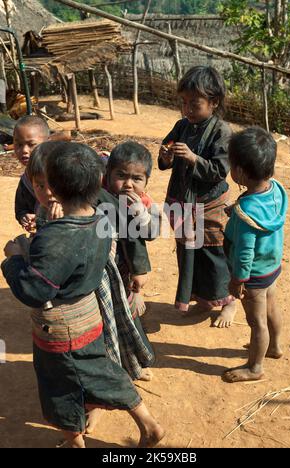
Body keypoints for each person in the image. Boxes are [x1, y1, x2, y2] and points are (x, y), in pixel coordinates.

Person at [1, 142, 165, 448]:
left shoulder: (58, 236)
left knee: (57, 387)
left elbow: (34, 290)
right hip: (90, 320)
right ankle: (148, 423)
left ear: (55, 188)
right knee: (102, 372)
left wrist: (14, 259)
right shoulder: (101, 220)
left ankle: (74, 441)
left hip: (60, 331)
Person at [158, 65, 236, 327]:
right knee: (189, 252)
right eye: (184, 102)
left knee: (213, 252)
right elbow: (165, 153)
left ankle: (229, 301)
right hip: (182, 202)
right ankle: (203, 300)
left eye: (194, 103)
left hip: (210, 204)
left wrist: (193, 158)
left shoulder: (221, 132)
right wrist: (166, 156)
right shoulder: (181, 126)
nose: (187, 109)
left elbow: (219, 170)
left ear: (213, 102)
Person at [223, 127, 288, 382]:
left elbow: (245, 253)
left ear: (238, 172)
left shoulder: (247, 214)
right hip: (271, 267)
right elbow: (259, 211)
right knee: (272, 307)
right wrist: (238, 209)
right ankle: (275, 346)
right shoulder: (277, 189)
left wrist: (238, 280)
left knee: (256, 321)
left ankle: (255, 367)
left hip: (253, 275)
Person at [104, 140, 159, 380]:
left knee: (127, 314)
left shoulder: (143, 202)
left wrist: (140, 214)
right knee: (107, 319)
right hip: (102, 270)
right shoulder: (98, 195)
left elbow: (151, 233)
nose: (128, 183)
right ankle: (112, 365)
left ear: (146, 181)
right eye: (121, 176)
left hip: (125, 270)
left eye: (137, 178)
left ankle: (135, 362)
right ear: (108, 173)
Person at [13, 115, 50, 231]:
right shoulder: (25, 180)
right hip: (41, 235)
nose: (24, 150)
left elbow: (73, 209)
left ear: (47, 143)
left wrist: (41, 219)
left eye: (31, 145)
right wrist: (24, 216)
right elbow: (21, 208)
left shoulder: (59, 174)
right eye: (18, 144)